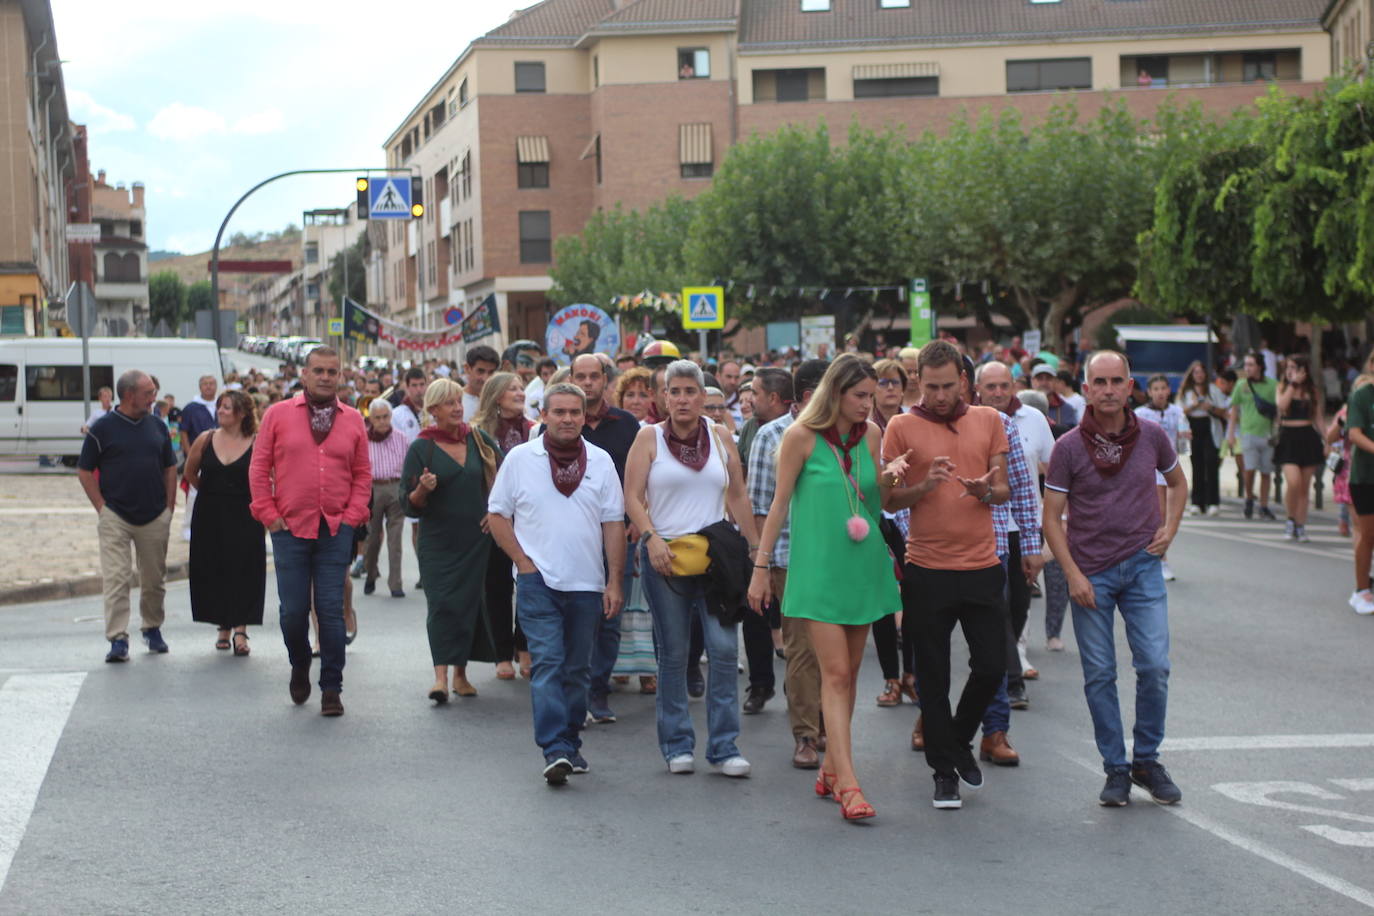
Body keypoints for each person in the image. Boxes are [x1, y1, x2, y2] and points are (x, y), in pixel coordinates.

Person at [749, 355, 904, 820]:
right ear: (834, 393)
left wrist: (891, 479)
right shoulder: (799, 437)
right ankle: (850, 783)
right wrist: (760, 566)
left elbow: (873, 502)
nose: (867, 405)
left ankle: (832, 768)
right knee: (835, 674)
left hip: (863, 566)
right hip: (815, 572)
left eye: (871, 397)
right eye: (860, 396)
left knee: (851, 674)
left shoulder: (872, 435)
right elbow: (777, 507)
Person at [1042, 350, 1186, 806]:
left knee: (1155, 667)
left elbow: (1178, 483)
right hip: (1091, 573)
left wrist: (1170, 530)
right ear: (1085, 389)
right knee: (1100, 673)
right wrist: (1071, 575)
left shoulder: (1153, 436)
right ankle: (1116, 769)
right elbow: (1052, 517)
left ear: (1129, 388)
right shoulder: (1067, 447)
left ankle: (1147, 760)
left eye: (1116, 381)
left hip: (1143, 565)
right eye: (1098, 382)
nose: (1107, 389)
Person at [882, 339, 1010, 810]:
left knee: (993, 666)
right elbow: (888, 500)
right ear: (919, 382)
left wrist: (984, 491)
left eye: (947, 386)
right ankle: (944, 773)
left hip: (982, 566)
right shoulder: (900, 426)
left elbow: (1004, 489)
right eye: (930, 386)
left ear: (963, 381)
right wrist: (923, 485)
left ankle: (954, 741)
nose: (939, 396)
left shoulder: (988, 420)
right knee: (932, 678)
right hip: (927, 569)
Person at [623, 359, 760, 777]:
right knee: (675, 652)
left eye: (690, 391)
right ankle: (677, 744)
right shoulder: (648, 438)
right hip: (665, 558)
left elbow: (737, 495)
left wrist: (756, 550)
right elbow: (630, 496)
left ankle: (724, 747)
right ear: (663, 397)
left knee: (721, 649)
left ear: (704, 397)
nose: (682, 399)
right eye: (674, 391)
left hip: (717, 557)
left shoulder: (720, 438)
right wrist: (651, 538)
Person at [487, 382, 625, 784]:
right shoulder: (520, 459)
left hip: (586, 582)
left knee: (579, 668)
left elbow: (613, 523)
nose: (567, 419)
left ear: (585, 416)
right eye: (559, 412)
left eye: (574, 413)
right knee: (547, 661)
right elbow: (498, 515)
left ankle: (569, 743)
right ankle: (555, 747)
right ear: (543, 416)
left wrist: (614, 581)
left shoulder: (600, 462)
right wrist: (523, 563)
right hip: (537, 581)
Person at [249, 347, 371, 717]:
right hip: (289, 527)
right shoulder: (278, 414)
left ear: (340, 376)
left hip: (336, 528)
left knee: (331, 611)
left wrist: (352, 516)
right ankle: (300, 661)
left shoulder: (352, 419)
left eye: (332, 371)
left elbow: (363, 474)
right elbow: (258, 468)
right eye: (318, 370)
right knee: (293, 611)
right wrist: (268, 515)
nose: (325, 377)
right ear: (304, 375)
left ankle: (332, 687)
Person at [747, 360, 827, 767]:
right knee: (801, 650)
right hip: (789, 559)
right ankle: (806, 735)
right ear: (812, 395)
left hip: (837, 559)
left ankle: (827, 722)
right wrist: (761, 567)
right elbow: (761, 505)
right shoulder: (771, 435)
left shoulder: (847, 433)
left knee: (835, 650)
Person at [403, 378, 502, 701]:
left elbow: (507, 475)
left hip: (476, 538)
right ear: (433, 410)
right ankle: (440, 678)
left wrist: (496, 510)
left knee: (470, 604)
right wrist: (422, 490)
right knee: (442, 605)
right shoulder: (423, 447)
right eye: (449, 403)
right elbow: (409, 503)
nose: (457, 408)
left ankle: (461, 675)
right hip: (438, 542)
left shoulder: (477, 438)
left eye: (459, 401)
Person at [77, 370, 178, 663]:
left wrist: (169, 507)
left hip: (154, 515)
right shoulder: (103, 429)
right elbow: (84, 471)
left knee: (154, 579)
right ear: (130, 395)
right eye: (148, 393)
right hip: (116, 516)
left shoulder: (157, 425)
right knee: (117, 578)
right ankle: (117, 638)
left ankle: (152, 627)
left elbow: (169, 467)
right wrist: (101, 507)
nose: (153, 398)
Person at [975, 360, 1047, 765]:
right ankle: (929, 720)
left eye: (1005, 385)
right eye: (991, 386)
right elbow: (894, 490)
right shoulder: (916, 425)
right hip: (943, 549)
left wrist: (1035, 544)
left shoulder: (1024, 422)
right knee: (942, 644)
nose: (999, 392)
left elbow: (1026, 486)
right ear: (978, 388)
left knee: (1010, 615)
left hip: (1007, 538)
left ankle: (995, 726)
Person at [566, 354, 641, 720]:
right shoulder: (562, 423)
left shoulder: (627, 424)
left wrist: (637, 520)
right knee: (577, 615)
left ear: (606, 379)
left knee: (610, 614)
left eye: (594, 376)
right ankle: (575, 690)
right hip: (572, 537)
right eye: (580, 376)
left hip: (617, 533)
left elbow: (642, 477)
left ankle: (598, 691)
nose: (587, 383)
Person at [183, 390, 264, 655]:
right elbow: (190, 472)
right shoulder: (206, 439)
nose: (221, 411)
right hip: (210, 512)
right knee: (215, 568)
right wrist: (209, 492)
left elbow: (266, 476)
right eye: (220, 407)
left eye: (227, 407)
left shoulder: (256, 441)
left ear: (241, 413)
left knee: (243, 569)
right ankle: (223, 626)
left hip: (244, 513)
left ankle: (241, 629)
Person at [472, 371, 533, 680]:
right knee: (496, 586)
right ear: (497, 396)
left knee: (528, 581)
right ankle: (501, 653)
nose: (520, 393)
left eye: (521, 388)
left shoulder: (535, 430)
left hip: (528, 520)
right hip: (494, 520)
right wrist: (489, 510)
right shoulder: (479, 432)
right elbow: (474, 477)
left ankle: (525, 647)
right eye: (513, 389)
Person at [868, 358, 915, 708]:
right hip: (873, 519)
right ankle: (891, 678)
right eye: (883, 382)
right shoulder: (861, 425)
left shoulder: (914, 422)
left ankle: (912, 674)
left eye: (896, 382)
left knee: (914, 597)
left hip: (908, 519)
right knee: (883, 600)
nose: (890, 388)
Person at [1135, 375, 1189, 581]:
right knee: (1160, 515)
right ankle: (1161, 559)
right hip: (1150, 469)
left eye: (1163, 388)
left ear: (1169, 391)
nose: (1159, 392)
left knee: (1169, 516)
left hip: (1171, 468)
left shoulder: (1177, 412)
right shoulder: (1140, 413)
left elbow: (1183, 441)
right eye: (1155, 388)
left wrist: (1186, 438)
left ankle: (1157, 554)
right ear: (1149, 392)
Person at [1274, 355, 1326, 542]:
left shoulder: (1312, 390)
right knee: (1293, 482)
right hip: (1288, 438)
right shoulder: (1282, 387)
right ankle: (1290, 519)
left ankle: (1301, 524)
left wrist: (1327, 440)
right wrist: (1292, 385)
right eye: (1288, 367)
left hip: (1307, 437)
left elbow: (1318, 417)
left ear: (1304, 370)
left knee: (1304, 487)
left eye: (1294, 368)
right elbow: (1282, 405)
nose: (1290, 371)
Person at [360, 400, 408, 598]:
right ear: (371, 419)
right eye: (377, 418)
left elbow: (408, 465)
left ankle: (395, 583)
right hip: (372, 488)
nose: (382, 421)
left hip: (396, 486)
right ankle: (371, 573)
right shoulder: (363, 439)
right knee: (372, 538)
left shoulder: (401, 438)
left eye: (385, 417)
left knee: (395, 539)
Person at [1228, 351, 1279, 521]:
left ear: (1260, 366)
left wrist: (1278, 431)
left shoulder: (1273, 385)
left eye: (1250, 364)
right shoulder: (1241, 385)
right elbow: (1234, 410)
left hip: (1268, 434)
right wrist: (1231, 434)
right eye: (1246, 364)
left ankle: (1264, 505)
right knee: (1249, 470)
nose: (1247, 368)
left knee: (1266, 472)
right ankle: (1249, 497)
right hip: (1248, 433)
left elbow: (1279, 410)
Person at [1178, 361, 1227, 516]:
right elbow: (1179, 411)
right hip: (1193, 427)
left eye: (1201, 372)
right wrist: (1193, 406)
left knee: (1211, 462)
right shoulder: (1186, 391)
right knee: (1197, 464)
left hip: (1209, 427)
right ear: (1192, 375)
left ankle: (1213, 501)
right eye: (1196, 372)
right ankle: (1197, 502)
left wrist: (1209, 407)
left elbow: (1223, 411)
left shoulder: (1213, 390)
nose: (1199, 375)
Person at [1345, 368, 1374, 614]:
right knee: (1369, 535)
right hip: (1366, 476)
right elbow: (1354, 433)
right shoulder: (1362, 396)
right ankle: (1361, 590)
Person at [179, 374, 219, 542]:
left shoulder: (221, 404)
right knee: (194, 494)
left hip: (220, 456)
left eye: (211, 384)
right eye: (205, 384)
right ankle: (188, 528)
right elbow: (184, 432)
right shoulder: (191, 408)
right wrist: (190, 454)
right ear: (200, 387)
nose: (208, 387)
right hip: (199, 456)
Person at [1032, 363, 1078, 432]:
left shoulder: (1067, 410)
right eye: (1040, 379)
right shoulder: (1023, 407)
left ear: (1056, 381)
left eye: (1048, 378)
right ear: (1032, 381)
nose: (1044, 383)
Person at [463, 345, 500, 421]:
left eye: (491, 372)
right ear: (467, 369)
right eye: (480, 371)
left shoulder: (501, 400)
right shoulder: (456, 402)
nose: (485, 378)